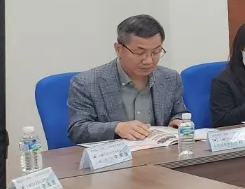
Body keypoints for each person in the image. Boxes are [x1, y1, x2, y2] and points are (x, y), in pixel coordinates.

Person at [67, 14, 187, 144]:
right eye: (140, 52)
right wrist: (117, 128)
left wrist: (177, 122)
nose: (148, 60)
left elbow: (179, 113)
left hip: (159, 152)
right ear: (118, 49)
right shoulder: (86, 83)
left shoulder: (170, 78)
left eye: (156, 52)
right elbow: (77, 130)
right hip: (115, 155)